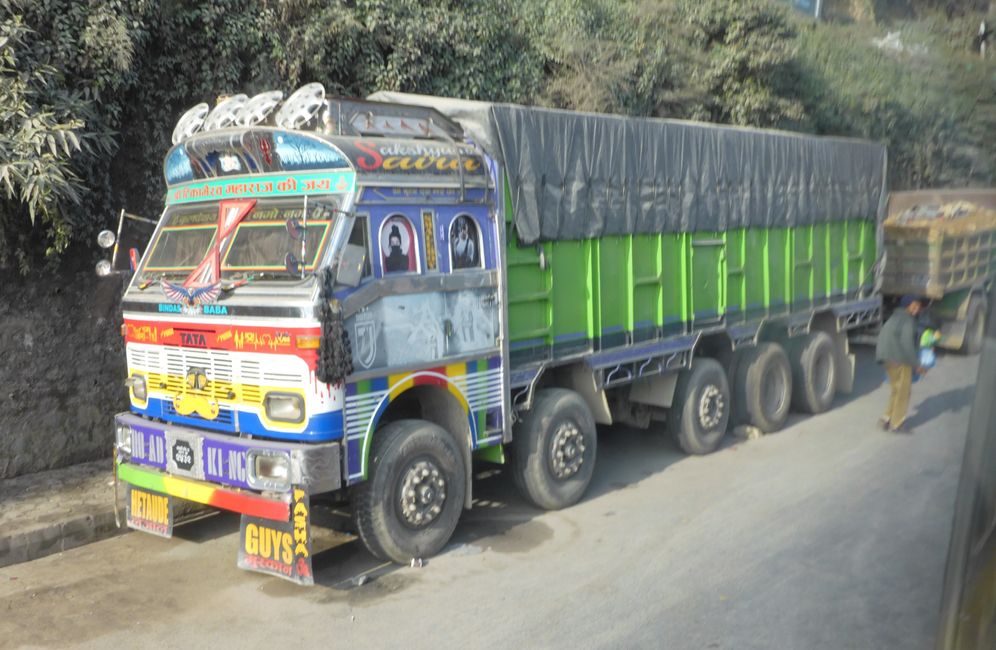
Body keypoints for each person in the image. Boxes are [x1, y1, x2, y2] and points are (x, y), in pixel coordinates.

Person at [876, 295, 924, 432]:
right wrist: (916, 364)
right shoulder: (908, 320)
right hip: (899, 358)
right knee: (904, 391)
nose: (916, 309)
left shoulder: (894, 317)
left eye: (918, 306)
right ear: (907, 306)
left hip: (886, 357)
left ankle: (886, 418)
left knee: (896, 388)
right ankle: (897, 423)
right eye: (913, 306)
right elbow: (907, 343)